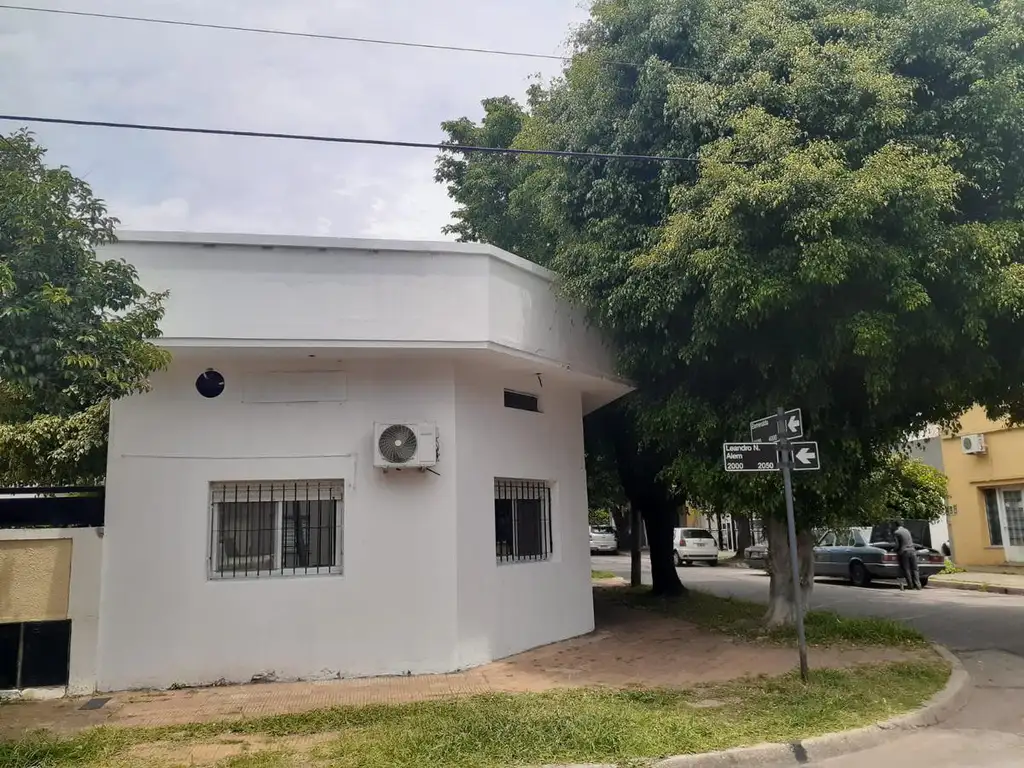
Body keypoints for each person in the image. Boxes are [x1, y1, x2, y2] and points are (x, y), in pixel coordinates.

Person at [893, 519, 922, 591]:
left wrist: (894, 550)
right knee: (915, 569)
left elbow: (897, 545)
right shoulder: (907, 531)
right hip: (913, 551)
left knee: (907, 569)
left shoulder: (897, 532)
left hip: (905, 552)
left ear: (896, 525)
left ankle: (910, 585)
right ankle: (918, 585)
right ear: (902, 525)